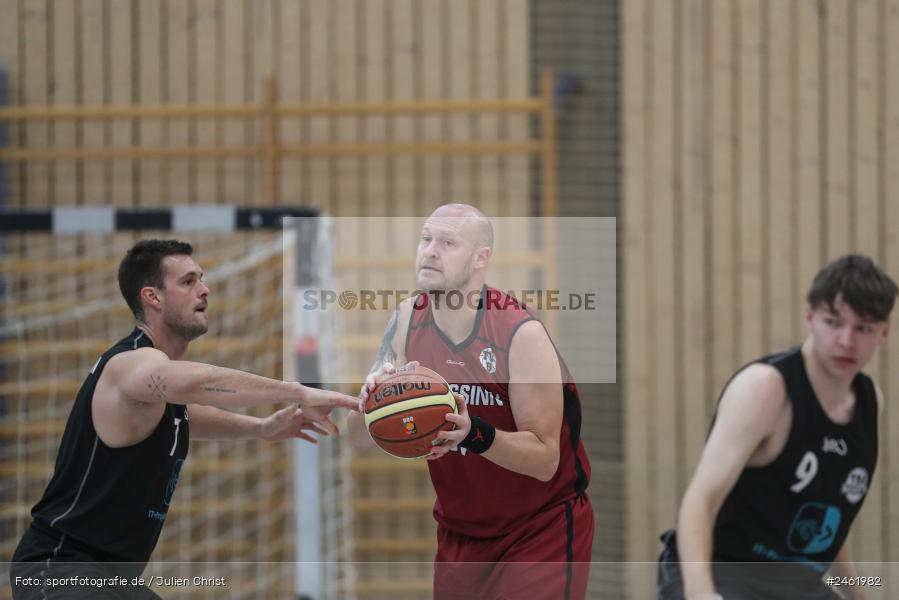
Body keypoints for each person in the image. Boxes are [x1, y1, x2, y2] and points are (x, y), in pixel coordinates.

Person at [10, 239, 361, 600]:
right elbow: (198, 384)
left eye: (202, 279)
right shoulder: (132, 364)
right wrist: (299, 391)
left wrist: (262, 428)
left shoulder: (158, 396)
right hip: (58, 568)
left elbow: (186, 416)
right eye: (189, 281)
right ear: (153, 297)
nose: (204, 289)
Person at [348, 204, 594, 600]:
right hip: (460, 534)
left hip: (538, 529)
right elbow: (358, 438)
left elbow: (547, 459)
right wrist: (370, 403)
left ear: (481, 259)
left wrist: (473, 434)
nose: (429, 251)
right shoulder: (406, 319)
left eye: (447, 243)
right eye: (426, 238)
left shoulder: (519, 333)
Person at [657, 254, 897, 600]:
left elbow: (829, 522)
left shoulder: (869, 402)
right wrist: (701, 594)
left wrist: (858, 595)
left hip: (796, 582)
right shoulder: (765, 389)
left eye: (863, 328)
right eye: (833, 322)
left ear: (883, 333)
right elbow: (701, 498)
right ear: (809, 317)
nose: (846, 341)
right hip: (723, 571)